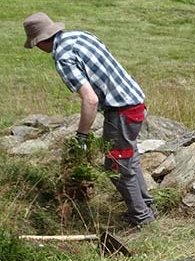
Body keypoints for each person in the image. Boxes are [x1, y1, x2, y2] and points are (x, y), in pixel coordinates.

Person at [23, 12, 156, 227]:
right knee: (129, 160)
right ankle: (147, 206)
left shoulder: (63, 58)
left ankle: (142, 217)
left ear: (40, 42)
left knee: (116, 166)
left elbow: (91, 99)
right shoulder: (80, 36)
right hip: (136, 101)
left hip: (121, 110)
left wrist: (81, 136)